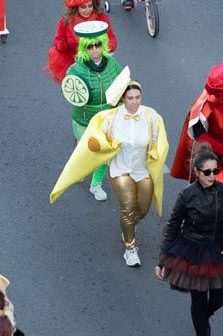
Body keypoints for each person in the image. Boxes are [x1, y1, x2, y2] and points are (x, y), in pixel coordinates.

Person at [50, 78, 168, 267]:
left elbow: (159, 141)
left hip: (142, 169)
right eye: (130, 98)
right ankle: (130, 249)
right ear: (123, 99)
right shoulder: (109, 117)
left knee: (143, 208)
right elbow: (95, 137)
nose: (135, 101)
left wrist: (156, 154)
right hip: (119, 170)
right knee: (128, 207)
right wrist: (102, 145)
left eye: (138, 97)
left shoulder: (152, 116)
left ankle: (127, 225)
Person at [155, 146, 223, 336]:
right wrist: (163, 260)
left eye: (216, 171)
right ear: (197, 172)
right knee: (199, 298)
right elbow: (172, 227)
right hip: (193, 251)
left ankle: (203, 317)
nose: (212, 176)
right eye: (207, 172)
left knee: (220, 297)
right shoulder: (187, 195)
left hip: (218, 249)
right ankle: (203, 330)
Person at [61, 22, 126, 201]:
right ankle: (80, 168)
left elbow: (122, 83)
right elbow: (68, 92)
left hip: (108, 117)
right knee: (87, 152)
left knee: (103, 153)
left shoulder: (112, 63)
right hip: (84, 120)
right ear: (84, 48)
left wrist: (123, 100)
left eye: (98, 45)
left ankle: (95, 184)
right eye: (90, 46)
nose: (95, 49)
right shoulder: (75, 69)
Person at [170, 65, 223, 184]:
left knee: (221, 197)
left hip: (219, 162)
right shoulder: (204, 108)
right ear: (222, 90)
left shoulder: (219, 101)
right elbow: (199, 135)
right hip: (206, 167)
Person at [45, 0, 116, 83]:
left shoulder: (101, 18)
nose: (87, 10)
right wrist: (61, 45)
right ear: (75, 7)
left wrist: (104, 49)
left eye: (90, 6)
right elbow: (58, 42)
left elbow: (111, 38)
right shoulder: (65, 22)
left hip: (99, 62)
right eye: (83, 7)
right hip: (75, 65)